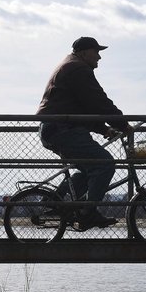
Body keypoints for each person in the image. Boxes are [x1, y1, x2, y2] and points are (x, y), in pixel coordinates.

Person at [36, 36, 132, 229]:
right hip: (63, 129)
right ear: (83, 52)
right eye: (96, 52)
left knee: (89, 169)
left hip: (55, 128)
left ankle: (56, 202)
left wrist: (104, 128)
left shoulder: (71, 65)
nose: (99, 57)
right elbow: (98, 101)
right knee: (104, 165)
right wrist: (124, 125)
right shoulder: (78, 69)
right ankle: (86, 212)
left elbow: (82, 107)